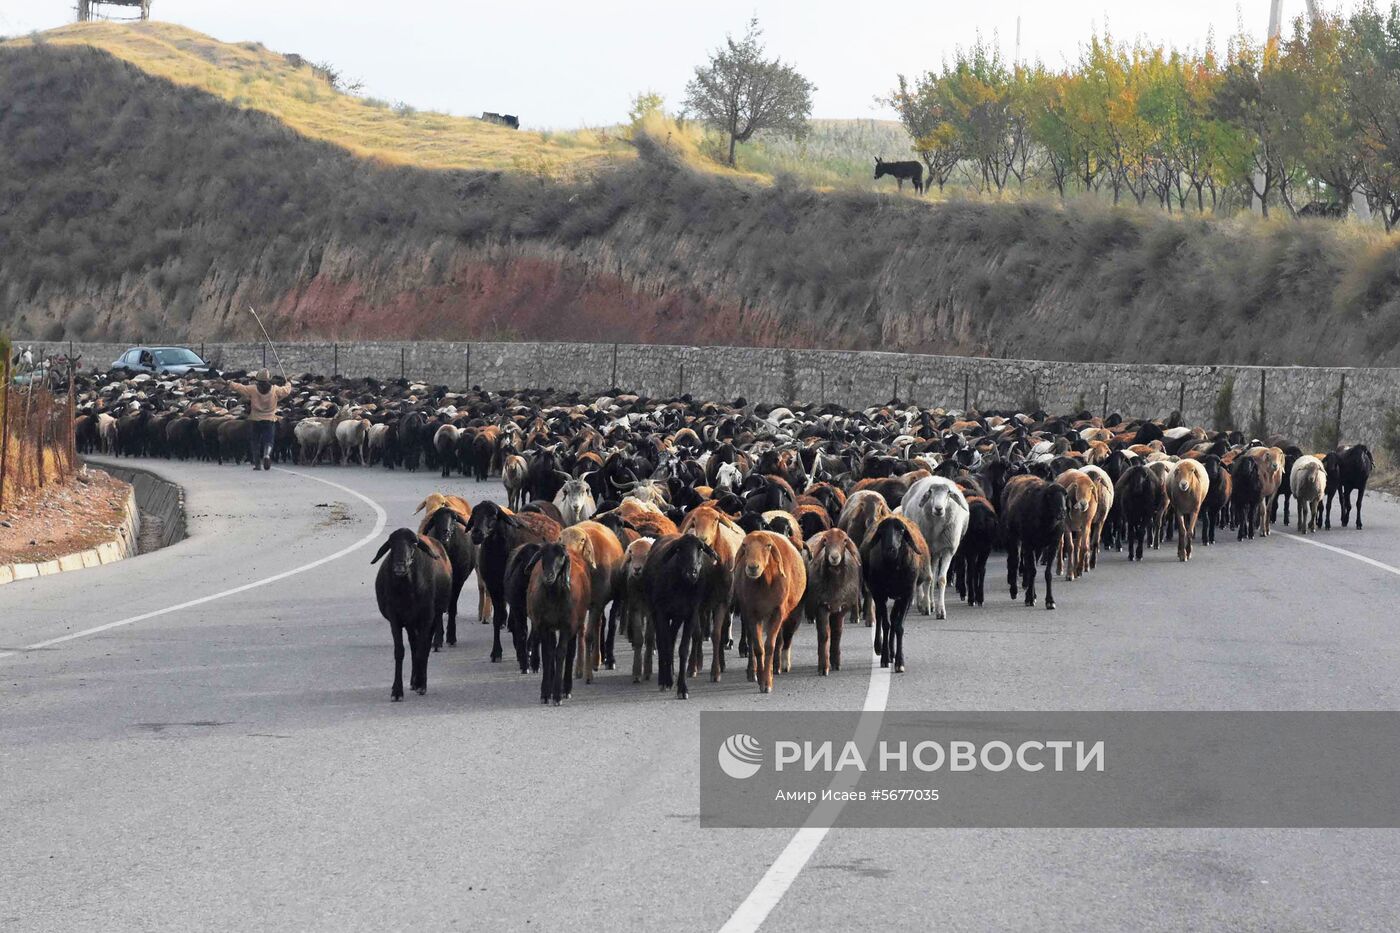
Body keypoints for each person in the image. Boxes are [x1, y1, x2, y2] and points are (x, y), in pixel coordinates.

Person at [226, 370, 292, 471]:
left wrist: (230, 383)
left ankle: (257, 464)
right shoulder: (275, 390)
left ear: (257, 379)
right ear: (268, 379)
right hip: (270, 419)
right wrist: (288, 384)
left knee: (255, 442)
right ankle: (266, 455)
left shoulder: (253, 389)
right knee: (269, 441)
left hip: (255, 419)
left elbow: (240, 388)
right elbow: (286, 391)